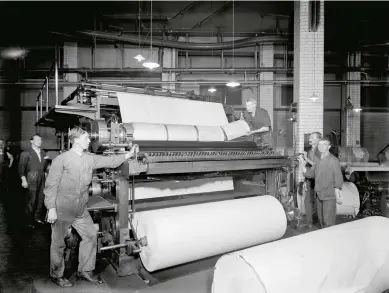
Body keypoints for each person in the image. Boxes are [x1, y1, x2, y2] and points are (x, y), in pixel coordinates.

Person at [44, 126, 139, 288]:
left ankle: (85, 271)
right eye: (86, 138)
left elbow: (109, 161)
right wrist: (51, 208)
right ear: (75, 140)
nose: (90, 140)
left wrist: (128, 154)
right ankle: (57, 274)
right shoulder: (61, 160)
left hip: (80, 208)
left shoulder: (89, 158)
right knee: (58, 244)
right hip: (63, 208)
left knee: (90, 235)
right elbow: (51, 185)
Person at [299, 137, 343, 228]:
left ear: (329, 146)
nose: (321, 146)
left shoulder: (333, 160)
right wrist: (301, 163)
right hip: (319, 195)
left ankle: (329, 240)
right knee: (321, 221)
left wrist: (337, 194)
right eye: (320, 144)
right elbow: (310, 174)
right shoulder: (318, 161)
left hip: (329, 196)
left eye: (324, 144)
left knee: (328, 222)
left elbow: (338, 177)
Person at [18, 134, 47, 227]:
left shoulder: (43, 152)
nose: (39, 141)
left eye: (40, 140)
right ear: (31, 141)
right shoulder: (25, 153)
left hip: (42, 177)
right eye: (37, 139)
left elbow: (45, 167)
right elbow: (21, 168)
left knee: (40, 198)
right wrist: (23, 180)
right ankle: (29, 221)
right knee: (32, 200)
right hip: (31, 177)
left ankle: (37, 218)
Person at [301, 132, 322, 227]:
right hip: (310, 179)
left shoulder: (321, 151)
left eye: (312, 137)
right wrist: (305, 181)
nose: (310, 139)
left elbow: (318, 165)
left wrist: (306, 158)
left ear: (318, 140)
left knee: (319, 202)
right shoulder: (309, 151)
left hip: (319, 180)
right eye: (310, 137)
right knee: (308, 201)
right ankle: (308, 222)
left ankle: (320, 223)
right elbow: (308, 166)